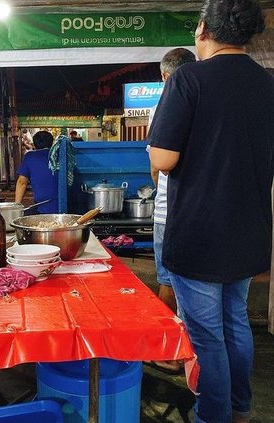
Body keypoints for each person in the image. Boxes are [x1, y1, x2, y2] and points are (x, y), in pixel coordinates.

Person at [147, 1, 273, 422]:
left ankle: (212, 415)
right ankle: (240, 410)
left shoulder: (189, 79)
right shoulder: (268, 83)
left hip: (200, 234)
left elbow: (163, 159)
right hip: (249, 231)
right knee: (235, 323)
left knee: (206, 335)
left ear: (203, 29)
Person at [147, 48, 196, 375]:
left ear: (165, 76)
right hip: (202, 211)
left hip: (169, 210)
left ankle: (167, 351)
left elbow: (157, 166)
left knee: (167, 280)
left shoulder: (164, 107)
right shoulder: (209, 102)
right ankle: (190, 351)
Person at [15, 130, 58, 214]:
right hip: (66, 206)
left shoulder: (30, 157)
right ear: (52, 143)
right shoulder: (60, 155)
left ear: (34, 144)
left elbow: (22, 182)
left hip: (43, 209)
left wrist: (16, 208)